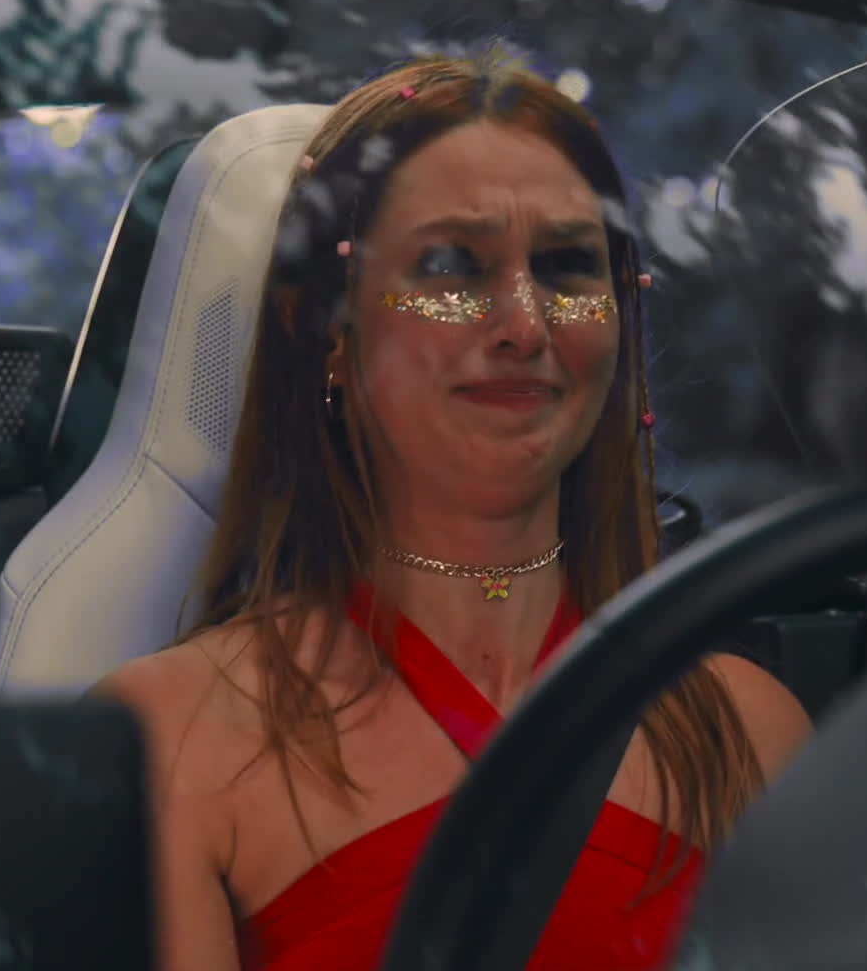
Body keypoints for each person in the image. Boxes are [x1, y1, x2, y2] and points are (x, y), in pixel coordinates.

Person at [96, 47, 812, 971]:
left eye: (567, 267)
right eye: (450, 267)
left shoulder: (748, 731)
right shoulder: (170, 741)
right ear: (326, 332)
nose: (524, 325)